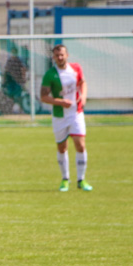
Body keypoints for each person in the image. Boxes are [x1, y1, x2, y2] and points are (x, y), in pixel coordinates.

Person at [40, 44, 92, 192]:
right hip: (59, 116)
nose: (60, 57)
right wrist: (60, 102)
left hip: (76, 113)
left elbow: (82, 83)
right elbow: (43, 96)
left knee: (80, 144)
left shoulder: (76, 69)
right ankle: (65, 179)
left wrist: (83, 97)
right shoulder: (50, 74)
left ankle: (81, 180)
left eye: (62, 54)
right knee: (62, 148)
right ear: (53, 58)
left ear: (67, 55)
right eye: (57, 55)